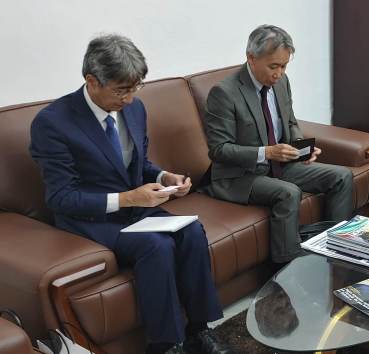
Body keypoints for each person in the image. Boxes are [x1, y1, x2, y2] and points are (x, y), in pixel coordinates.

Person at [28, 34, 229, 354]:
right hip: (91, 218)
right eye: (122, 90)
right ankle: (166, 344)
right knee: (156, 245)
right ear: (92, 81)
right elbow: (61, 198)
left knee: (191, 229)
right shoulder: (52, 123)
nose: (130, 97)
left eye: (136, 88)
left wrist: (165, 176)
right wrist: (128, 199)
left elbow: (140, 165)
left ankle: (199, 330)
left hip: (136, 208)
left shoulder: (134, 110)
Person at [203, 24, 353, 263]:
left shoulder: (282, 83)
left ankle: (335, 251)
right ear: (251, 58)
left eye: (284, 66)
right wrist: (267, 152)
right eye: (274, 66)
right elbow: (219, 150)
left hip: (280, 166)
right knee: (288, 193)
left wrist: (302, 147)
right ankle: (287, 268)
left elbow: (290, 122)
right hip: (239, 176)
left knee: (342, 176)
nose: (279, 73)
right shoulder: (224, 93)